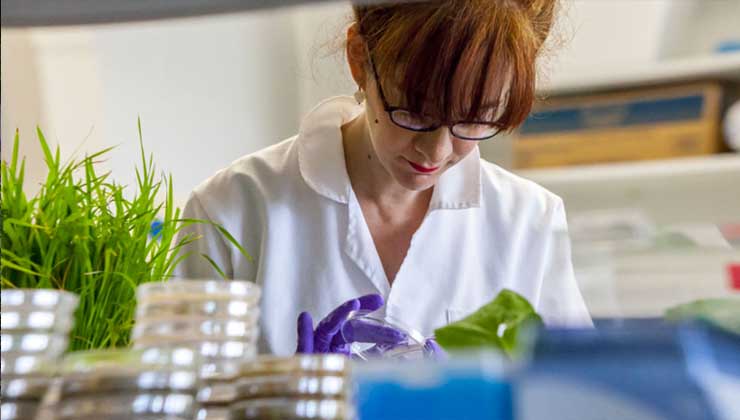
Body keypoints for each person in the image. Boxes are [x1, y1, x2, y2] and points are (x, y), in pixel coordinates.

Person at [174, 0, 592, 357]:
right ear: (359, 58)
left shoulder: (528, 221)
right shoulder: (231, 209)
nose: (438, 152)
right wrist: (282, 399)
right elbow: (175, 404)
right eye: (413, 113)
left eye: (475, 119)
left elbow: (582, 401)